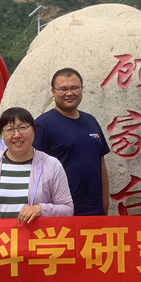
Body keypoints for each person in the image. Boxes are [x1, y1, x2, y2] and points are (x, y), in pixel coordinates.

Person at [0, 107, 73, 220]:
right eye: (10, 129)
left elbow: (67, 209)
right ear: (2, 134)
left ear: (34, 131)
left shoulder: (51, 165)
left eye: (22, 127)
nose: (17, 135)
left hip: (35, 232)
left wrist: (41, 209)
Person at [33, 68, 110, 216]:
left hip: (95, 209)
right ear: (53, 91)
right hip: (61, 211)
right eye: (63, 89)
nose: (69, 93)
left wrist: (105, 203)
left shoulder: (91, 121)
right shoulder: (43, 124)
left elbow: (101, 163)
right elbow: (35, 170)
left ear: (82, 89)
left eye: (74, 87)